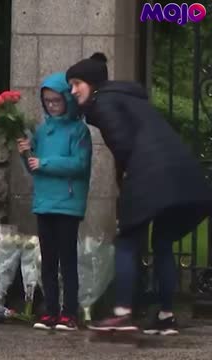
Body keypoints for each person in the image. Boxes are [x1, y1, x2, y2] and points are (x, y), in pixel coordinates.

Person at [66, 52, 212, 335]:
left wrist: (126, 180)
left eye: (76, 83)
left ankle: (122, 313)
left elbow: (123, 145)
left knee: (127, 240)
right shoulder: (130, 99)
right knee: (163, 241)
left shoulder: (103, 103)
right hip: (186, 178)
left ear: (93, 83)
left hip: (151, 176)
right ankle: (167, 316)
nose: (72, 91)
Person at [17, 72, 92, 331]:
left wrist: (45, 162)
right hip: (45, 202)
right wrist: (25, 153)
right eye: (47, 101)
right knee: (48, 260)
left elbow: (80, 164)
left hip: (68, 203)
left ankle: (69, 313)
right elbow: (33, 168)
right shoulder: (43, 130)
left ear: (67, 101)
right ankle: (50, 311)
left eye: (56, 101)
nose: (51, 105)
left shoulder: (79, 131)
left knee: (67, 260)